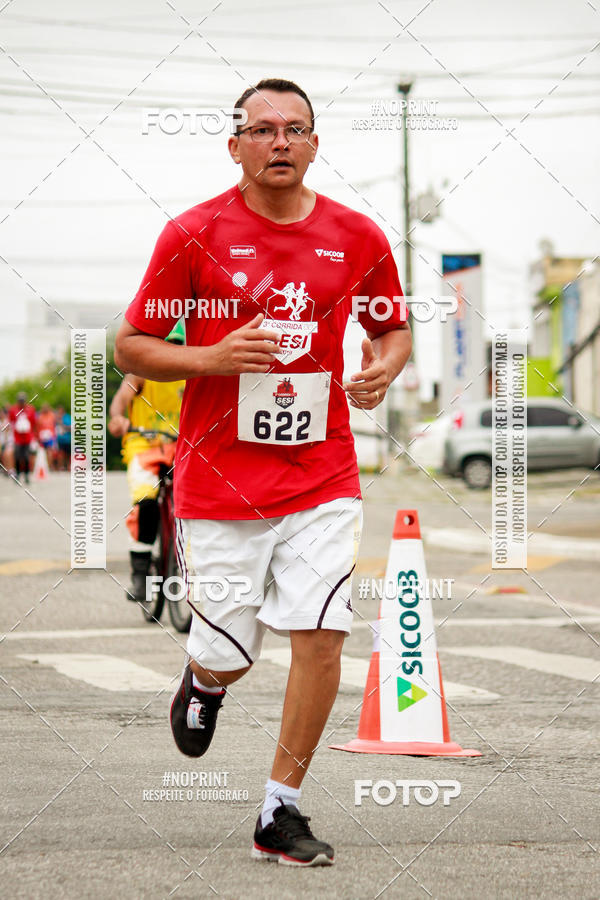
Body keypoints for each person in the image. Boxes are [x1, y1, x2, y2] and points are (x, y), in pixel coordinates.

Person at [115, 77, 411, 867]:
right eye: (263, 128)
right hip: (219, 481)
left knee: (322, 636)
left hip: (322, 473)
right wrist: (207, 357)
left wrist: (382, 368)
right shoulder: (193, 232)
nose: (280, 140)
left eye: (296, 128)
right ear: (235, 144)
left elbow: (392, 329)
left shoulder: (358, 235)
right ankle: (206, 679)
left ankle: (279, 810)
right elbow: (133, 346)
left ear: (316, 144)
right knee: (233, 650)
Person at [108, 321, 185, 603]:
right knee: (146, 501)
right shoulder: (141, 373)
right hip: (144, 446)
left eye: (178, 345)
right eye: (168, 345)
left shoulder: (192, 374)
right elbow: (120, 400)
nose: (172, 351)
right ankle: (140, 575)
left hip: (181, 449)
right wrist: (118, 418)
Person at [8, 392, 36, 484]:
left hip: (27, 437)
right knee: (17, 456)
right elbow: (11, 422)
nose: (21, 402)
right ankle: (18, 474)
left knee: (26, 456)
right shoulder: (13, 410)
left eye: (23, 401)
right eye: (20, 401)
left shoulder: (30, 410)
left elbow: (33, 423)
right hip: (17, 437)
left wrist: (33, 436)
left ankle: (27, 475)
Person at [55, 406, 72, 471]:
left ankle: (68, 466)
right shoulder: (56, 418)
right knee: (60, 453)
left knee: (68, 454)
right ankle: (61, 466)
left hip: (67, 439)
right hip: (60, 439)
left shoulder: (67, 417)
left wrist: (63, 426)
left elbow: (71, 427)